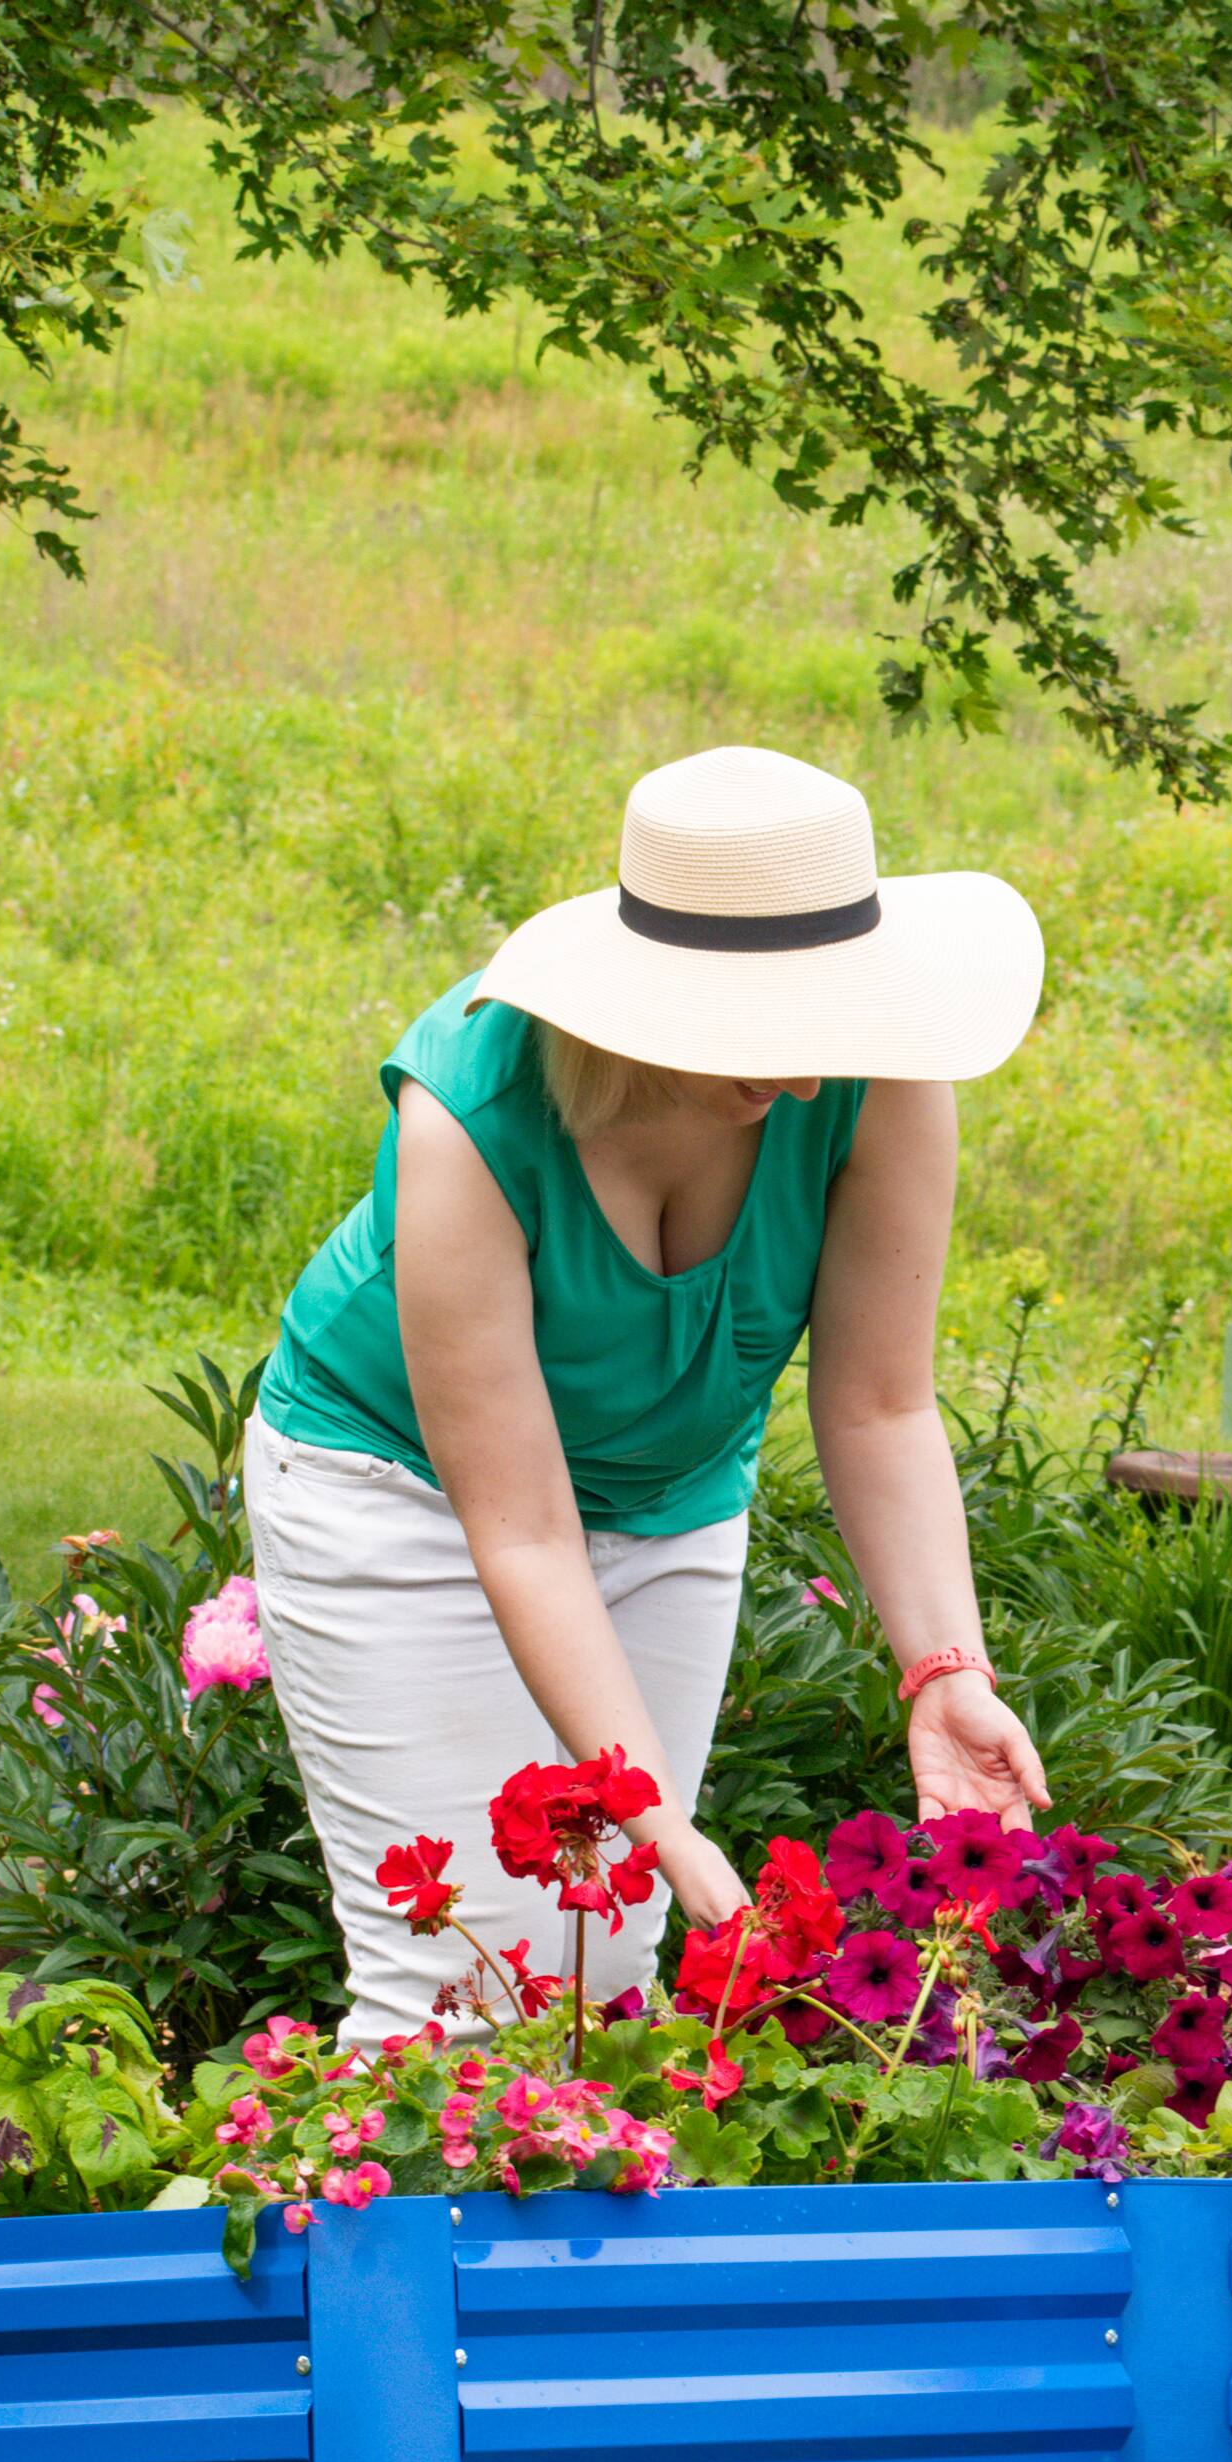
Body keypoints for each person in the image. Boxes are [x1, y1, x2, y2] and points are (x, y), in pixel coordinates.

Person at [247, 745, 1050, 2041]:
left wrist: (942, 1667)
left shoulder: (878, 1073)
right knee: (451, 1985)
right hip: (394, 1492)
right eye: (764, 1032)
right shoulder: (470, 1117)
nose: (802, 1081)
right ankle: (355, 2231)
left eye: (826, 1022)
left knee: (603, 1976)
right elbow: (520, 1526)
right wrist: (656, 1810)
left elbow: (880, 1406)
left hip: (670, 1500)